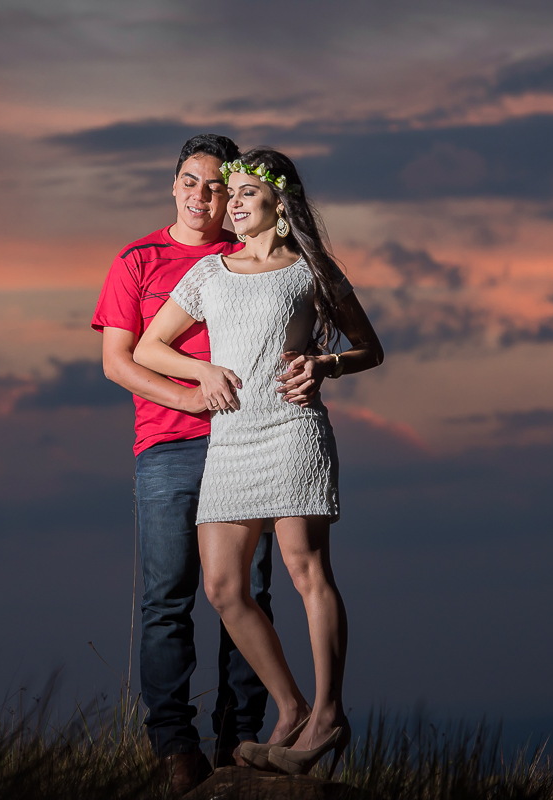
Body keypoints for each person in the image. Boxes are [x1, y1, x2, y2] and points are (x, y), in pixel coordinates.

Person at [133, 147, 385, 777]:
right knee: (222, 586)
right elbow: (149, 347)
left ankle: (328, 714)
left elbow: (369, 348)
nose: (231, 202)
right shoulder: (210, 274)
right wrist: (203, 370)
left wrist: (324, 365)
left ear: (279, 203)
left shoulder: (311, 270)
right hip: (230, 442)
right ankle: (291, 705)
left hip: (293, 431)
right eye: (231, 193)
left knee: (306, 572)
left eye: (245, 193)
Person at [92, 134, 320, 795]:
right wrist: (192, 393)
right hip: (166, 446)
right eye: (191, 181)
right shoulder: (138, 258)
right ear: (173, 186)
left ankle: (241, 737)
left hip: (250, 440)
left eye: (217, 186)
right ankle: (174, 745)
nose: (202, 195)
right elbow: (119, 361)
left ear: (234, 195)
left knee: (250, 594)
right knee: (168, 599)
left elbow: (301, 331)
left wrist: (316, 372)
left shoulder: (247, 255)